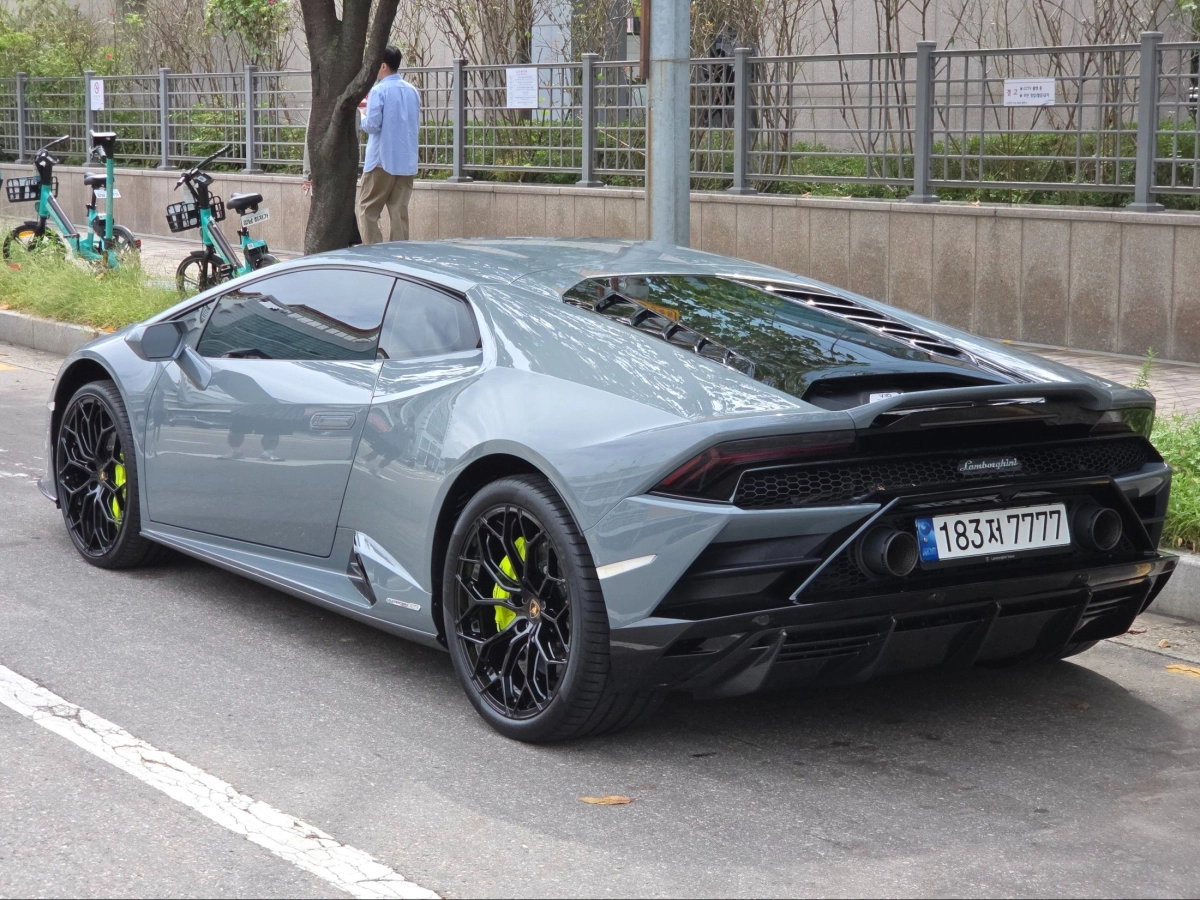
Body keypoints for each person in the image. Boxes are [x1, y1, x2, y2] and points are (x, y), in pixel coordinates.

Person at [357, 45, 420, 244]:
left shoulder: (378, 91)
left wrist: (361, 115)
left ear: (383, 66)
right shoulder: (413, 91)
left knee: (368, 210)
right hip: (406, 162)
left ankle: (375, 259)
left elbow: (372, 126)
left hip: (380, 161)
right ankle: (399, 260)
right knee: (399, 214)